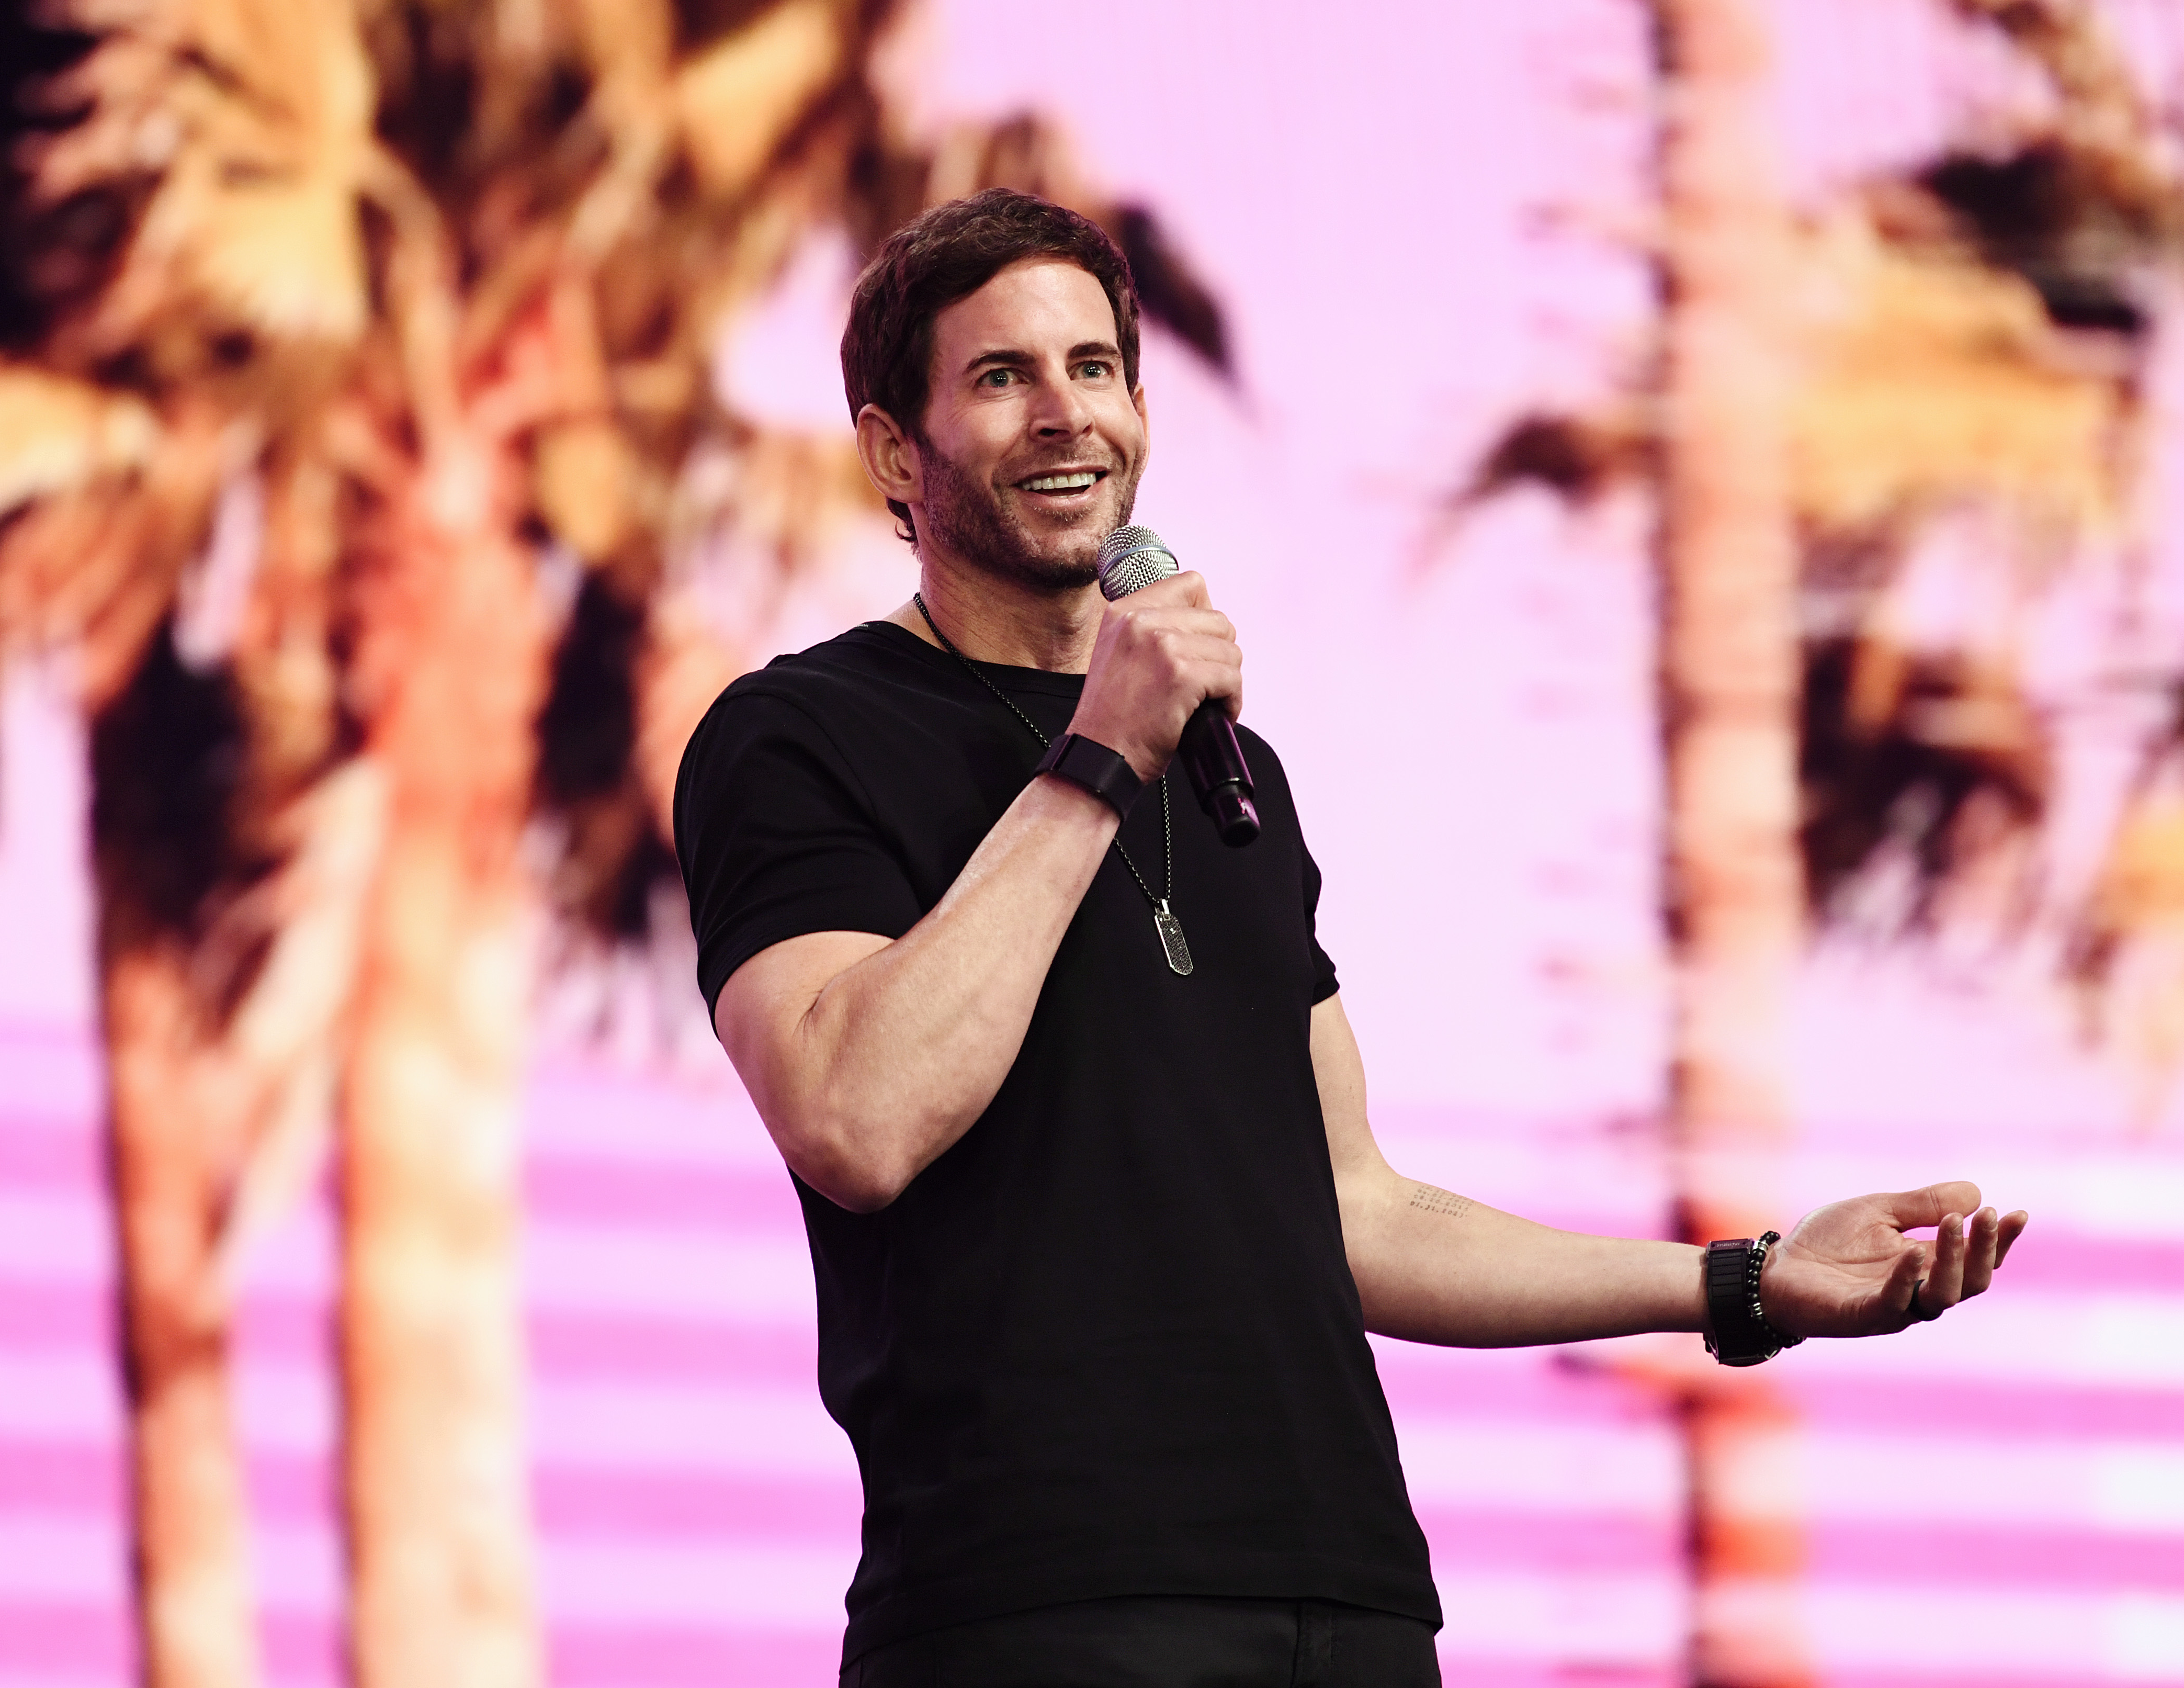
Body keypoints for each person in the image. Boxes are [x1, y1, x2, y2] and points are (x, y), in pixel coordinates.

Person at [671, 188, 2028, 1688]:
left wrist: (1743, 1282)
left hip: (1347, 1597)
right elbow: (855, 1119)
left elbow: (1356, 1210)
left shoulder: (1229, 771)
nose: (1066, 414)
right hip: (1036, 1604)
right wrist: (1098, 757)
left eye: (1095, 367)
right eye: (1001, 377)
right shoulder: (798, 736)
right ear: (892, 451)